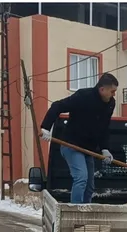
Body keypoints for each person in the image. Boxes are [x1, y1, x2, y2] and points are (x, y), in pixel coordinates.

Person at [40, 72, 118, 204]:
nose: (114, 95)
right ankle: (76, 211)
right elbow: (57, 106)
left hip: (88, 149)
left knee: (89, 186)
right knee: (81, 178)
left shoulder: (110, 103)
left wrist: (105, 149)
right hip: (71, 145)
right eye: (112, 91)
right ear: (102, 89)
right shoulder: (83, 96)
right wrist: (45, 128)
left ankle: (86, 210)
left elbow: (104, 127)